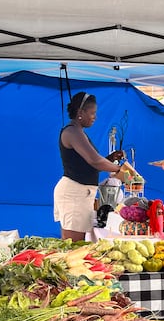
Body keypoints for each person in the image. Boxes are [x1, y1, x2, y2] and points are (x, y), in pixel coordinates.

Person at [53, 92, 125, 242]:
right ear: (80, 112)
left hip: (80, 194)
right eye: (92, 113)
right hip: (74, 194)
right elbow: (94, 160)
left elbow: (91, 164)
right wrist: (119, 170)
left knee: (76, 246)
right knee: (73, 247)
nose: (95, 117)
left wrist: (110, 159)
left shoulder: (78, 132)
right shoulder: (71, 132)